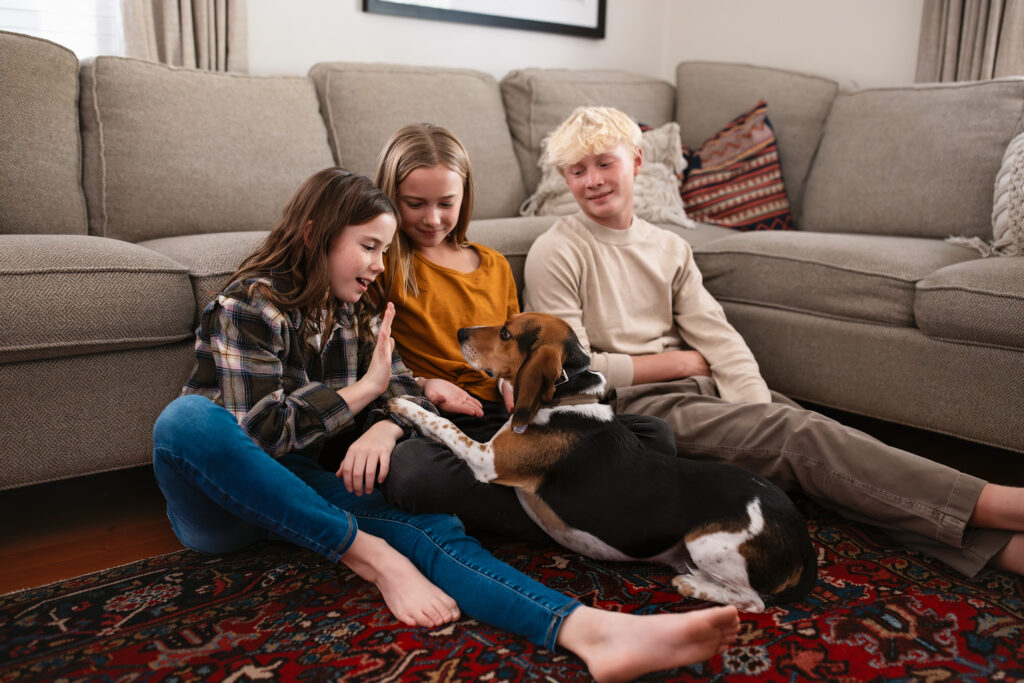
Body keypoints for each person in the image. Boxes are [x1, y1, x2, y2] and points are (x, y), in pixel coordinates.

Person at [151, 166, 740, 682]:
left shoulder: (352, 309)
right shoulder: (243, 308)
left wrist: (384, 424)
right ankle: (372, 558)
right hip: (223, 507)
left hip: (305, 483)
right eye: (370, 247)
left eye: (385, 251)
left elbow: (402, 383)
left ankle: (589, 631)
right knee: (185, 422)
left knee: (429, 529)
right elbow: (261, 432)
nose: (379, 266)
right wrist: (365, 394)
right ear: (315, 236)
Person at [521, 105, 1024, 578]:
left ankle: (1003, 549)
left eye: (603, 163)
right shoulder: (558, 251)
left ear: (636, 161)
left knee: (825, 445)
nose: (592, 181)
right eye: (576, 171)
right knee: (801, 439)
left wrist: (752, 406)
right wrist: (677, 366)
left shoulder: (670, 247)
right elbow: (571, 373)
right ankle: (998, 502)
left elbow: (717, 334)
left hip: (698, 388)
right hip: (633, 409)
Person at [366, 123, 675, 544]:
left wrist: (514, 382)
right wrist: (422, 387)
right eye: (415, 204)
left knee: (654, 435)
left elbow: (515, 352)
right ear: (390, 198)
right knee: (412, 472)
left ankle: (554, 506)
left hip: (511, 420)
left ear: (465, 196)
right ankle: (571, 516)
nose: (432, 218)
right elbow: (366, 357)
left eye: (446, 203)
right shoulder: (384, 265)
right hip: (440, 420)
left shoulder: (493, 265)